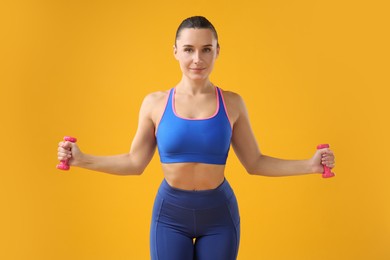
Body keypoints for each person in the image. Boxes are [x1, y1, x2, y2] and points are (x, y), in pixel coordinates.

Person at [57, 16, 335, 260]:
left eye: (206, 50)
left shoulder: (232, 103)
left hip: (219, 216)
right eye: (189, 49)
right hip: (170, 216)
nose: (197, 59)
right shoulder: (154, 104)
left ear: (217, 52)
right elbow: (135, 162)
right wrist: (82, 159)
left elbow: (255, 162)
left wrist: (309, 165)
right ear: (175, 51)